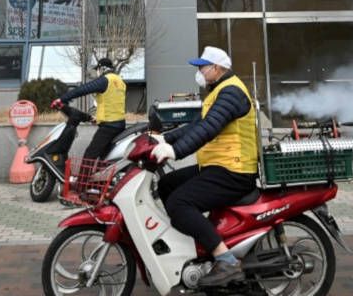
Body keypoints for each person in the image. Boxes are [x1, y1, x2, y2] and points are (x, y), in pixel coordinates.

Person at [150, 46, 258, 287]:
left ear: (217, 68)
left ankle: (226, 259)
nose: (199, 71)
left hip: (234, 171)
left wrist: (175, 151)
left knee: (180, 203)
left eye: (202, 67)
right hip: (218, 166)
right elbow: (196, 126)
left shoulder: (231, 92)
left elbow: (208, 129)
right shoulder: (219, 91)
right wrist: (165, 139)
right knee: (167, 183)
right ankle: (192, 242)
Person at [50, 58, 127, 160]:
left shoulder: (105, 80)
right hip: (119, 124)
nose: (97, 73)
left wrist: (62, 99)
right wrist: (97, 118)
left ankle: (84, 177)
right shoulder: (120, 81)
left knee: (89, 157)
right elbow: (113, 104)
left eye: (97, 70)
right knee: (105, 156)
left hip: (108, 127)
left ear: (102, 68)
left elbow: (82, 89)